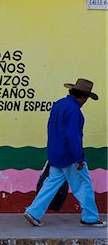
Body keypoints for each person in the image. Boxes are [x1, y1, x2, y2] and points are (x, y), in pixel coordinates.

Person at [24, 78, 106, 228]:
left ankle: (33, 212)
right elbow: (74, 137)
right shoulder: (75, 111)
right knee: (83, 185)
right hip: (70, 157)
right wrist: (79, 158)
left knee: (51, 184)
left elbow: (53, 130)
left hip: (55, 154)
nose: (85, 101)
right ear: (82, 96)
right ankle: (90, 217)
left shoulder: (59, 105)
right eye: (86, 98)